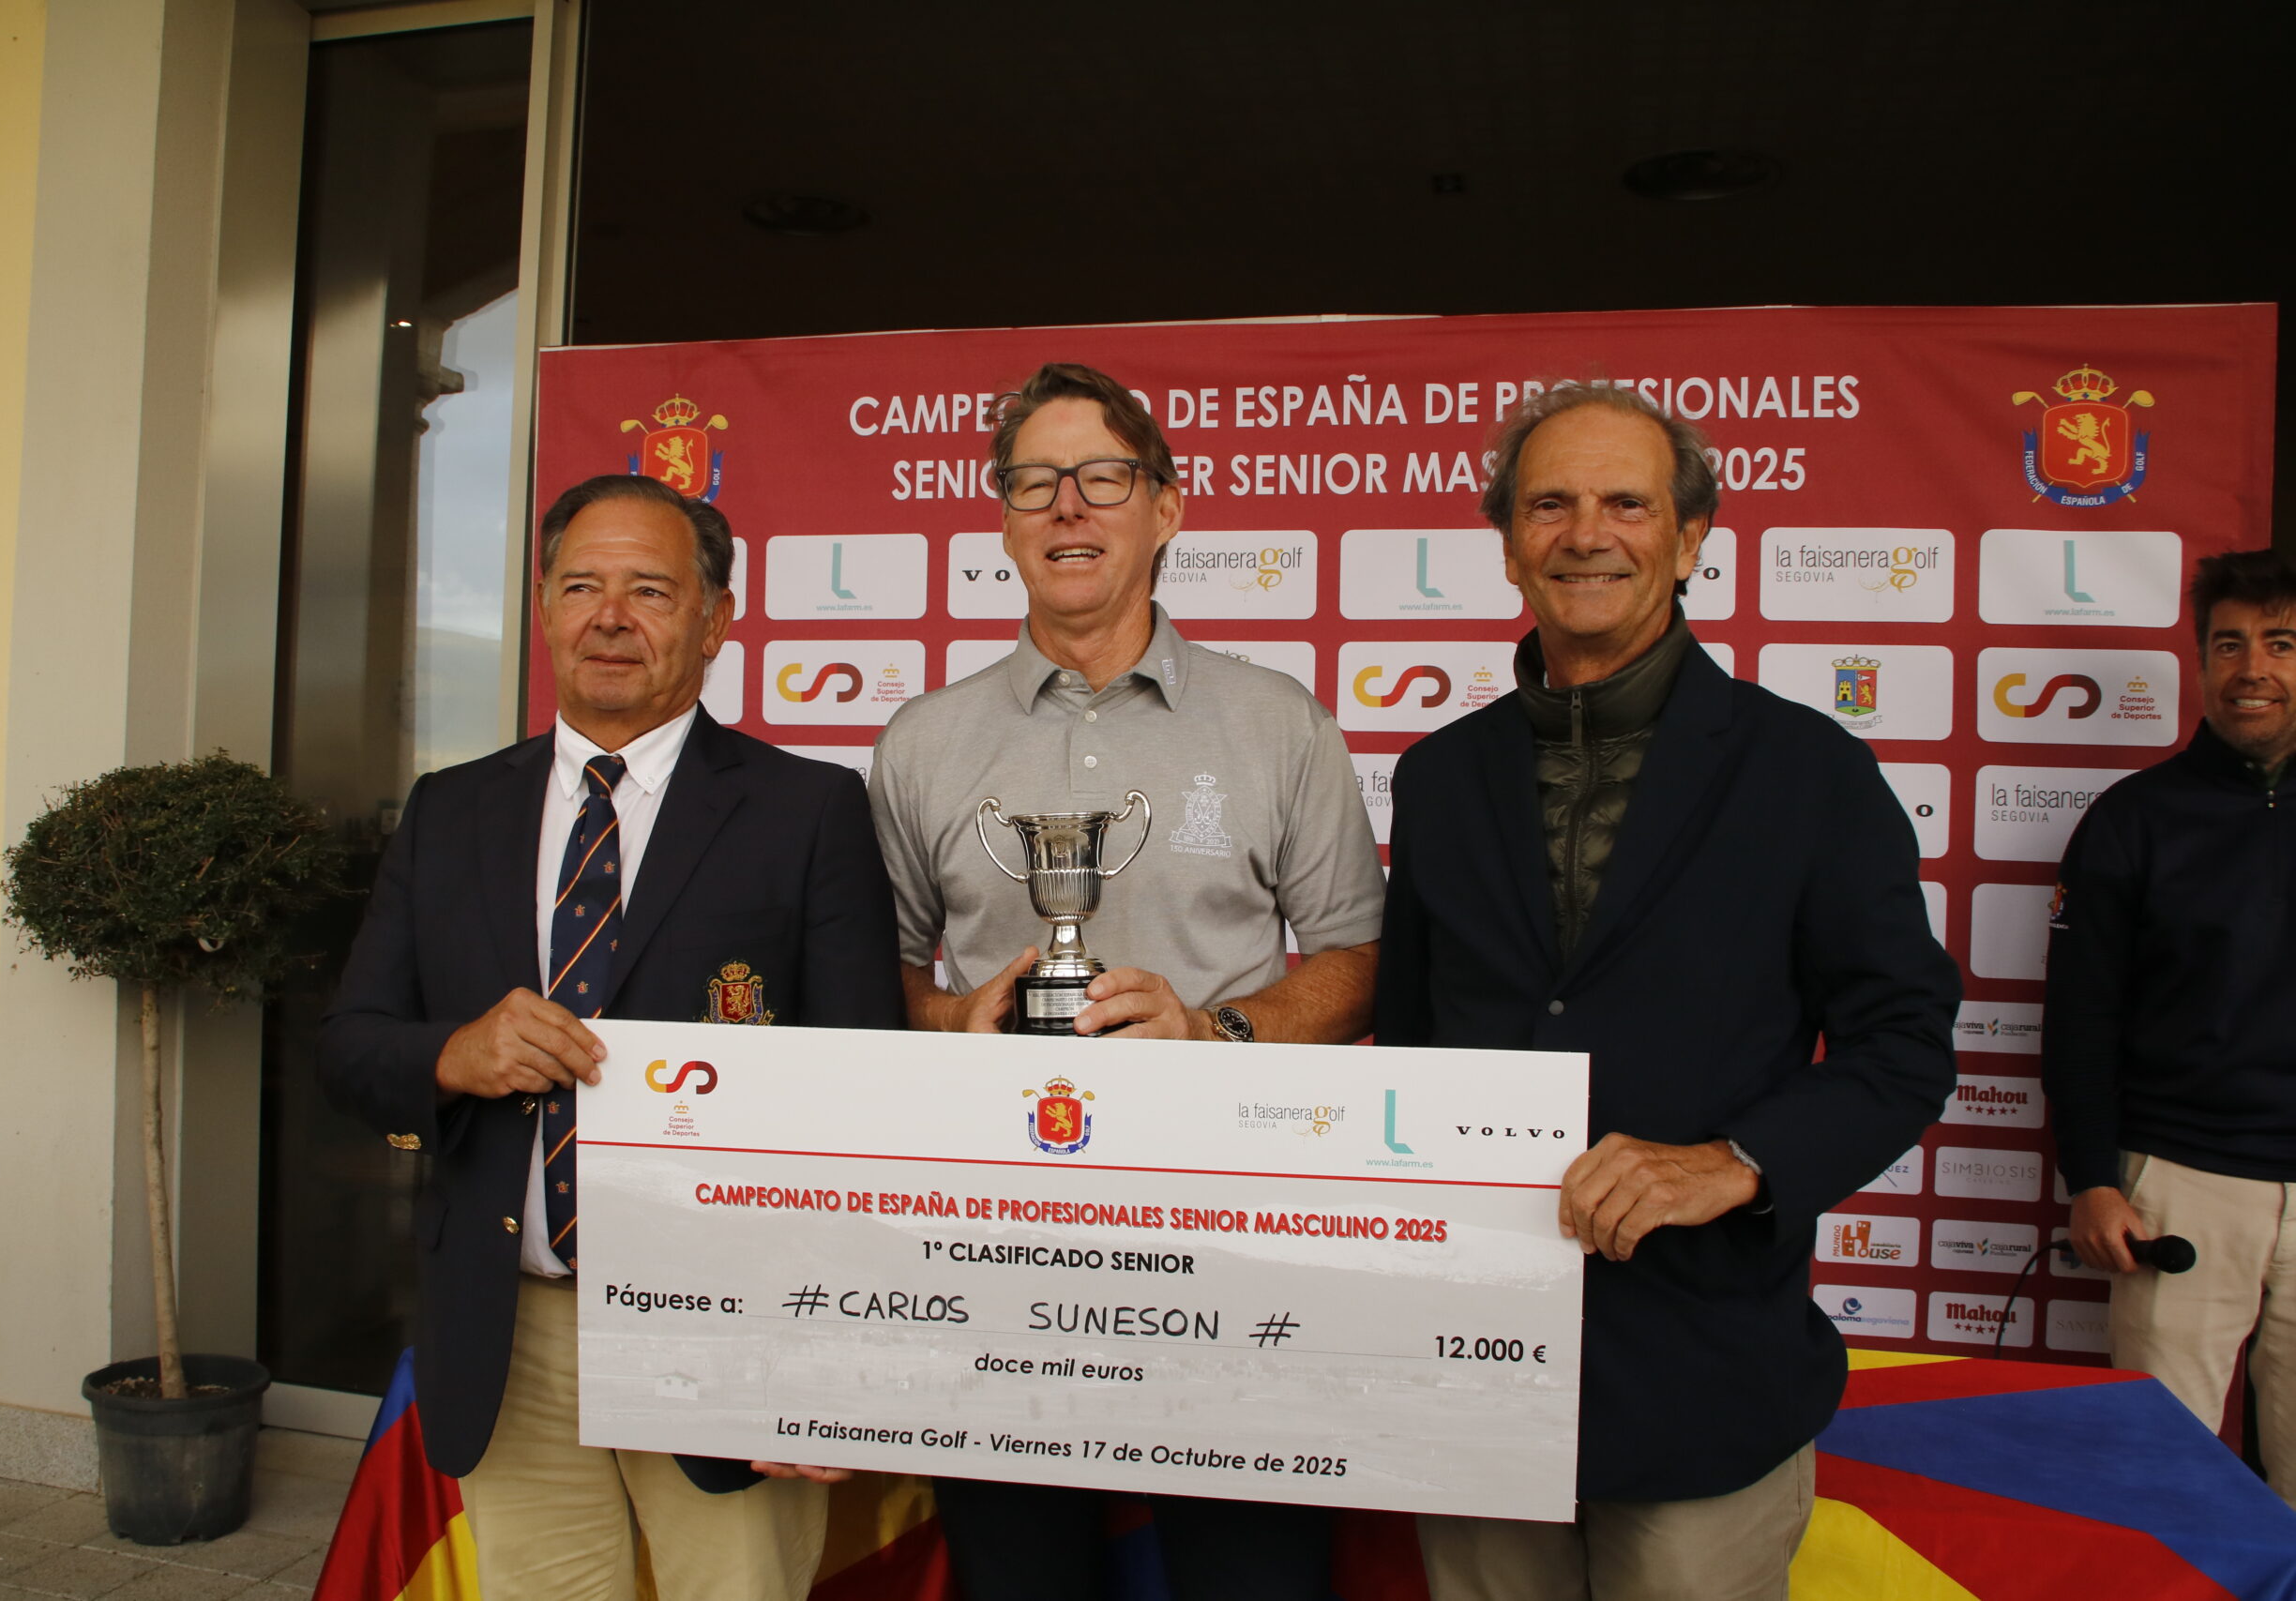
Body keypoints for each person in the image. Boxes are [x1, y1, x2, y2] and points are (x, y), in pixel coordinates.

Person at [1376, 383, 1958, 1600]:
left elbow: (1903, 1042)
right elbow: (1414, 1043)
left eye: (1627, 504)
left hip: (1704, 1373)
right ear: (1509, 543)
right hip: (1474, 1371)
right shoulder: (1435, 777)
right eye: (1550, 504)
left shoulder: (1809, 770)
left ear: (1690, 539)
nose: (1587, 533)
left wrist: (1738, 1160)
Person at [319, 474, 903, 1601]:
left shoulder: (806, 811)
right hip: (512, 1332)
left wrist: (834, 1355)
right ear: (544, 607)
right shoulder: (449, 810)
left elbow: (861, 1100)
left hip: (727, 1329)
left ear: (715, 620)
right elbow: (350, 1046)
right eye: (581, 586)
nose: (610, 617)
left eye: (650, 590)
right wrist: (453, 1055)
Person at [866, 361, 1383, 1601]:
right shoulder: (924, 740)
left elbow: (1361, 960)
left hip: (1234, 1234)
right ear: (1003, 521)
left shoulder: (1279, 722)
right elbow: (877, 974)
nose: (1067, 507)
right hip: (998, 1245)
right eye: (1034, 482)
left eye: (1103, 477)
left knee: (1254, 1582)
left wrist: (1217, 1030)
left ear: (1167, 507)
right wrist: (954, 1014)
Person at [2045, 547, 2296, 1504]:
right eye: (2228, 644)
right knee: (2160, 1489)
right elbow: (2080, 1020)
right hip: (2181, 1187)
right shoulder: (2133, 820)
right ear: (2199, 660)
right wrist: (2092, 1179)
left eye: (2280, 643)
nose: (2251, 668)